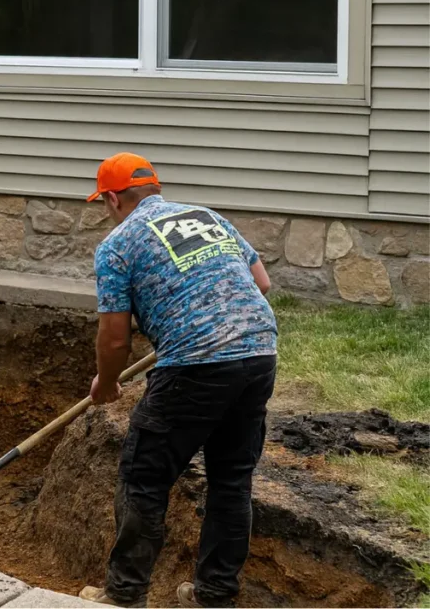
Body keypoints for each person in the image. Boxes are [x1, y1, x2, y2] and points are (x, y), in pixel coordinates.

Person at [77, 152, 277, 609]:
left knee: (144, 476)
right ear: (155, 188)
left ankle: (124, 595)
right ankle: (213, 597)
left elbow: (114, 337)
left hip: (196, 364)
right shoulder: (207, 217)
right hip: (260, 351)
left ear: (111, 199)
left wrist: (106, 383)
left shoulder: (118, 243)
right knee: (231, 480)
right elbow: (260, 283)